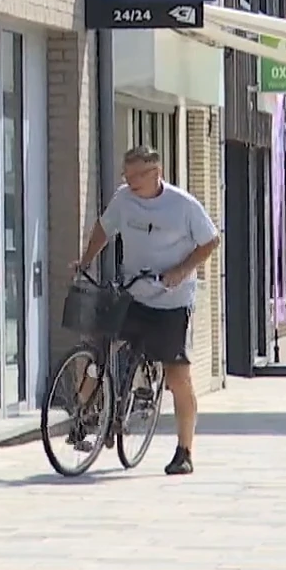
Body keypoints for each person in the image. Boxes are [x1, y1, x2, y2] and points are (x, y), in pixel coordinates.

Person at [70, 144, 220, 475]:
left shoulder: (182, 206)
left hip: (172, 300)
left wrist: (181, 270)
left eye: (138, 175)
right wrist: (85, 260)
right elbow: (103, 229)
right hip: (133, 293)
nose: (132, 181)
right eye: (127, 175)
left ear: (157, 172)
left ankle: (184, 451)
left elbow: (210, 241)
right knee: (100, 348)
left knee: (178, 375)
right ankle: (84, 413)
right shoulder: (124, 199)